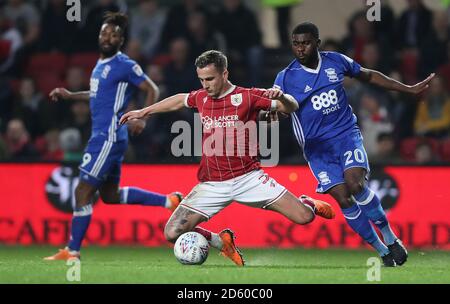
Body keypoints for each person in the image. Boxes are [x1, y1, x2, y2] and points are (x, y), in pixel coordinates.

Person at [120, 50, 335, 267]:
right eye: (201, 80)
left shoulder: (248, 96)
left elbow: (292, 106)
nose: (205, 85)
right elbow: (179, 100)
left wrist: (280, 97)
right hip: (213, 183)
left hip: (248, 178)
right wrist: (144, 111)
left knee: (304, 217)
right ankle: (220, 241)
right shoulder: (202, 97)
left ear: (225, 74)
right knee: (172, 232)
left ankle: (307, 202)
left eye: (210, 79)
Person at [272, 22, 435, 267]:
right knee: (343, 198)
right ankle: (381, 251)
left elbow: (368, 75)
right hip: (317, 150)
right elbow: (277, 108)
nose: (300, 48)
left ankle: (390, 238)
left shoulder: (335, 61)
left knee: (355, 183)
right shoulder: (285, 78)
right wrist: (270, 115)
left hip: (345, 135)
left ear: (317, 43)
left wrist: (406, 89)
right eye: (296, 44)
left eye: (305, 43)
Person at [44, 12, 183, 261]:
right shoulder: (101, 65)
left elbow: (151, 88)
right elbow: (98, 93)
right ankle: (169, 201)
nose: (108, 37)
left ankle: (72, 252)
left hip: (107, 136)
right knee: (110, 195)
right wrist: (70, 94)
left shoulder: (125, 64)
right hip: (107, 136)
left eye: (114, 35)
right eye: (105, 33)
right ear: (99, 36)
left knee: (82, 192)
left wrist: (142, 117)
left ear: (121, 41)